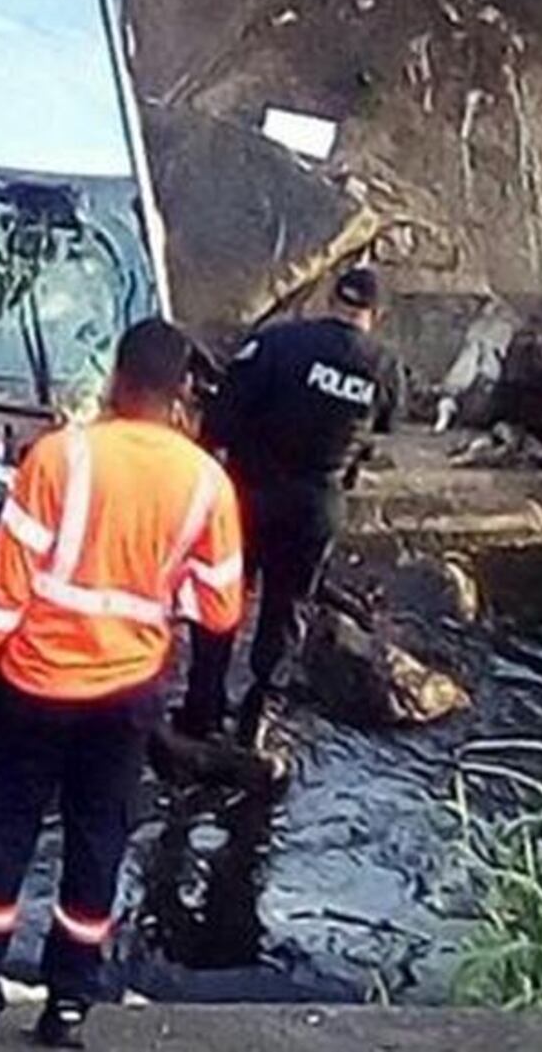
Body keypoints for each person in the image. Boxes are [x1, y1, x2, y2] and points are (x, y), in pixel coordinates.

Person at [0, 318, 244, 1050]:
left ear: (117, 379)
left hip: (33, 684)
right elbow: (220, 608)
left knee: (0, 837)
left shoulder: (59, 458)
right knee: (98, 840)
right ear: (182, 390)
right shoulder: (206, 483)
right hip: (127, 695)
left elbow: (4, 586)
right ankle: (67, 1009)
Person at [179, 266, 403, 746]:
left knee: (222, 597)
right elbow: (382, 431)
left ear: (329, 298)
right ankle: (259, 720)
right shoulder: (384, 366)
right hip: (317, 504)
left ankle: (202, 711)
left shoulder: (280, 343)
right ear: (377, 314)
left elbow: (222, 417)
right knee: (287, 609)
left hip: (248, 493)